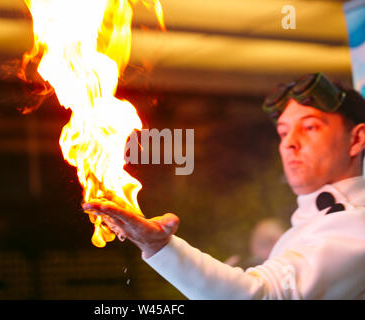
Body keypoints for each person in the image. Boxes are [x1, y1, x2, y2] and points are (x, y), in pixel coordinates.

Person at [83, 72, 365, 299]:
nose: (289, 142)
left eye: (311, 127)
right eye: (283, 131)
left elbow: (264, 296)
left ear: (356, 139)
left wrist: (160, 246)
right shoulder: (317, 220)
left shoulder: (357, 224)